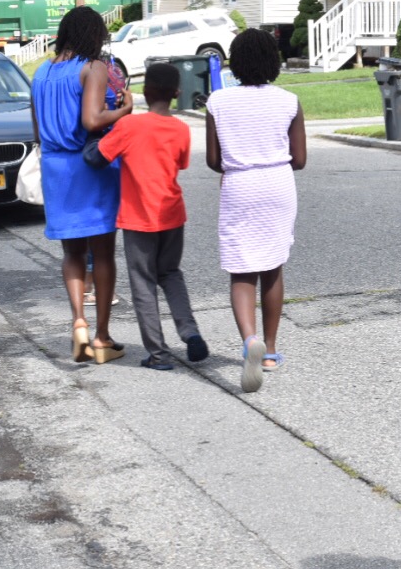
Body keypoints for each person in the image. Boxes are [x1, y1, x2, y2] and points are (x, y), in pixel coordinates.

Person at [205, 28, 306, 395]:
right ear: (273, 62)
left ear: (236, 61)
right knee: (272, 266)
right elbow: (301, 159)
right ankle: (271, 351)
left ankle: (249, 340)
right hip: (278, 185)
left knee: (241, 270)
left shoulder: (218, 101)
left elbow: (214, 160)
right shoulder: (289, 101)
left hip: (239, 186)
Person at [30, 5, 129, 365]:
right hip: (90, 166)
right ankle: (101, 337)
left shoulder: (41, 72)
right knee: (102, 253)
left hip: (55, 168)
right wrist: (123, 110)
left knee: (72, 253)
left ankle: (78, 323)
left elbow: (37, 130)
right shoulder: (93, 68)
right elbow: (92, 120)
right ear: (94, 35)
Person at [98, 62, 210, 371]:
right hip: (172, 214)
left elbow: (96, 156)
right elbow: (181, 163)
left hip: (138, 218)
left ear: (144, 92)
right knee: (170, 273)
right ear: (177, 93)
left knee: (143, 283)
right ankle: (190, 332)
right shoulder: (181, 129)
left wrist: (117, 114)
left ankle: (159, 355)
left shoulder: (129, 126)